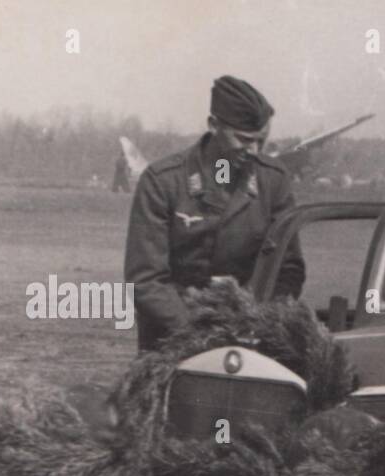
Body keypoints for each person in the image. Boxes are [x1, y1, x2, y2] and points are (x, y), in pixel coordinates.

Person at [124, 75, 305, 351]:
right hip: (174, 337)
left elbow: (288, 269)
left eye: (261, 140)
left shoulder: (273, 181)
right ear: (213, 126)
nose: (254, 151)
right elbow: (146, 280)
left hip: (250, 336)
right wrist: (198, 333)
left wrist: (258, 320)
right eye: (244, 139)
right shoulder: (164, 181)